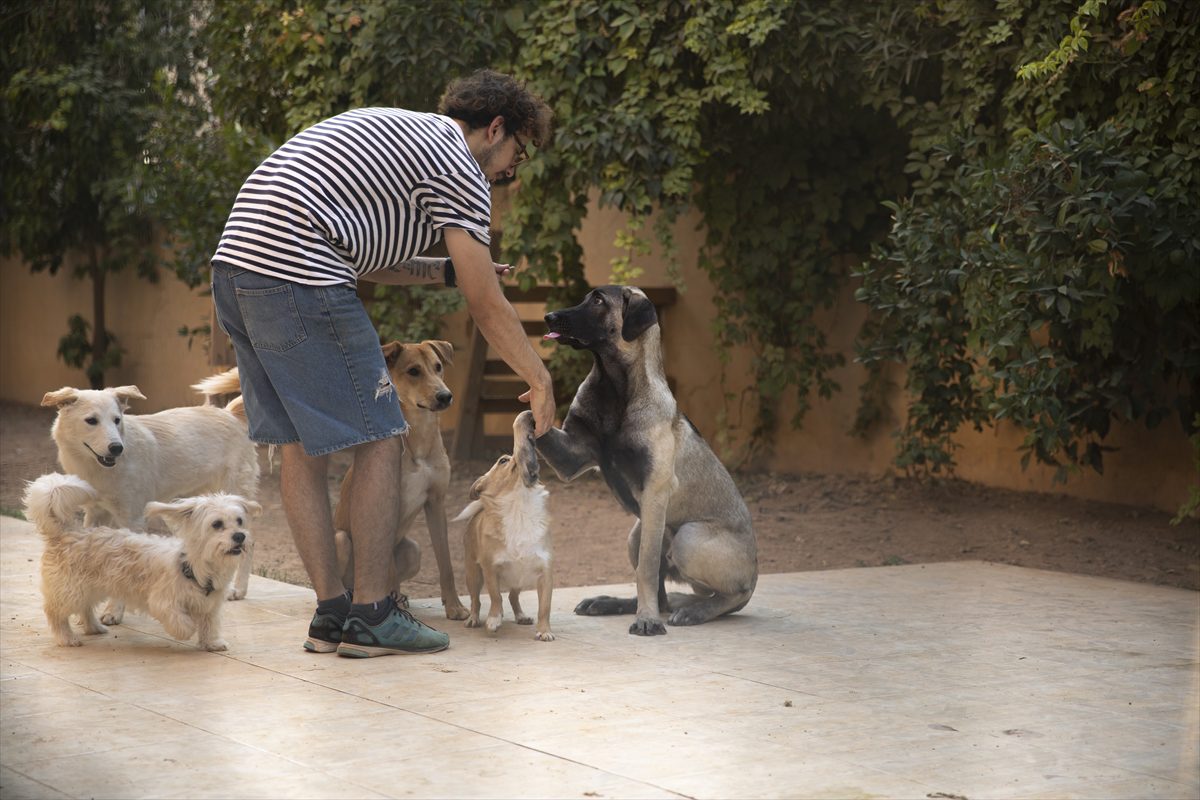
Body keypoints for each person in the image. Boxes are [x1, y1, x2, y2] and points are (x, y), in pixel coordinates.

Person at [209, 69, 556, 658]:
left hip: (237, 269)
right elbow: (485, 302)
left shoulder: (408, 140)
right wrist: (541, 378)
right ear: (495, 128)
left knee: (299, 445)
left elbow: (364, 256)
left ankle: (332, 615)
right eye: (515, 156)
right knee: (381, 435)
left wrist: (444, 270)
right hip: (299, 269)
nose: (509, 174)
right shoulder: (462, 165)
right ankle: (373, 612)